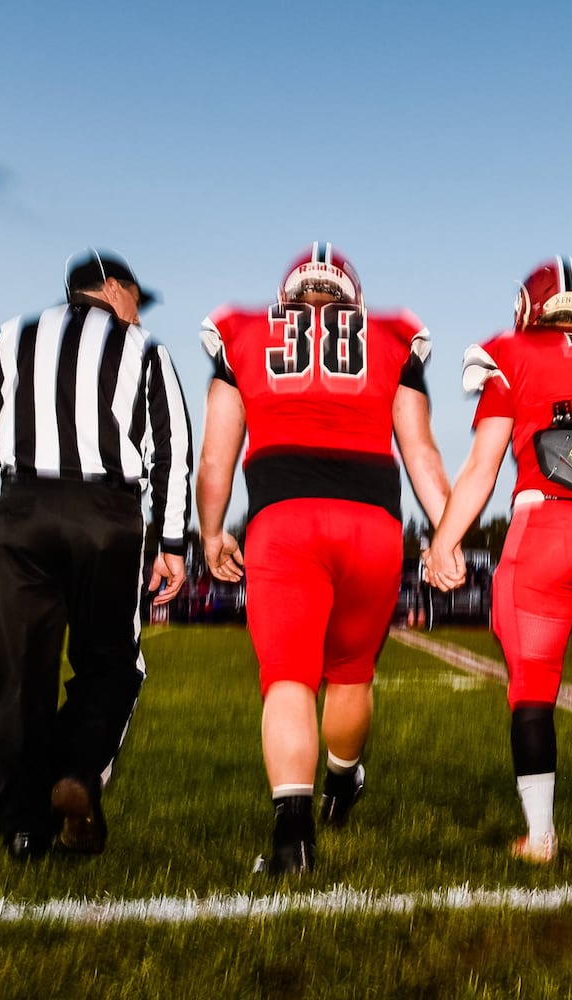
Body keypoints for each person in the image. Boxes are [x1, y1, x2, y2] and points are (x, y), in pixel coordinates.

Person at [0, 247, 192, 861]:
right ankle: (75, 771)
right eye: (135, 301)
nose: (138, 316)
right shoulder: (145, 353)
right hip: (106, 518)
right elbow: (173, 450)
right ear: (112, 289)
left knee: (21, 673)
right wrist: (172, 541)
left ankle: (22, 829)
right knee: (113, 665)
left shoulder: (10, 339)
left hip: (23, 514)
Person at [196, 242, 450, 875]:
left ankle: (293, 843)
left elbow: (215, 456)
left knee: (288, 678)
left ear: (289, 293)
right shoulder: (391, 336)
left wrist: (210, 532)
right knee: (352, 673)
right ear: (351, 297)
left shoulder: (246, 334)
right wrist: (448, 532)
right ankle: (341, 780)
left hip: (283, 519)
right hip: (372, 522)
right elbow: (420, 451)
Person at [424, 256, 572, 864]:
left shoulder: (512, 354)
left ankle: (541, 837)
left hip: (545, 527)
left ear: (528, 310)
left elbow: (482, 464)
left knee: (532, 687)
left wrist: (445, 539)